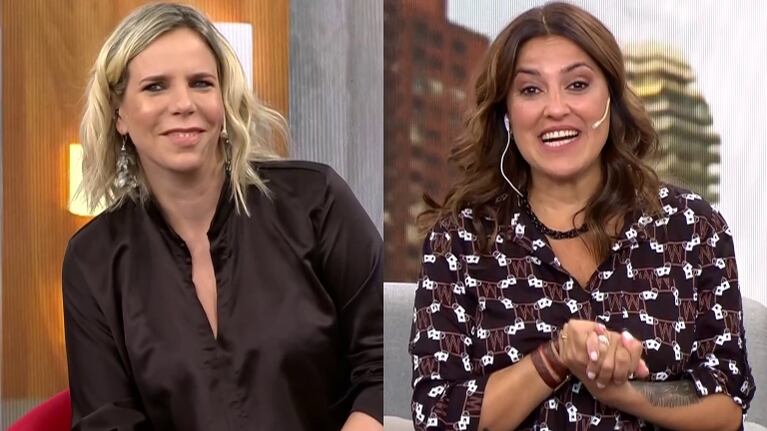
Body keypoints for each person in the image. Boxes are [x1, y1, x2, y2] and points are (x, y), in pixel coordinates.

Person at [409, 2, 754, 430]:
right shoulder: (460, 240)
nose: (556, 108)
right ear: (506, 113)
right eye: (530, 90)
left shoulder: (693, 229)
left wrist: (620, 390)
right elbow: (437, 416)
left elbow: (726, 405)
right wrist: (556, 357)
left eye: (577, 84)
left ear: (611, 98)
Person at [63, 3, 382, 430]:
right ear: (119, 114)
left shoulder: (316, 201)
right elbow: (107, 421)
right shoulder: (92, 259)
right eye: (155, 87)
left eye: (201, 83)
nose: (183, 103)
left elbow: (384, 362)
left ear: (224, 100)